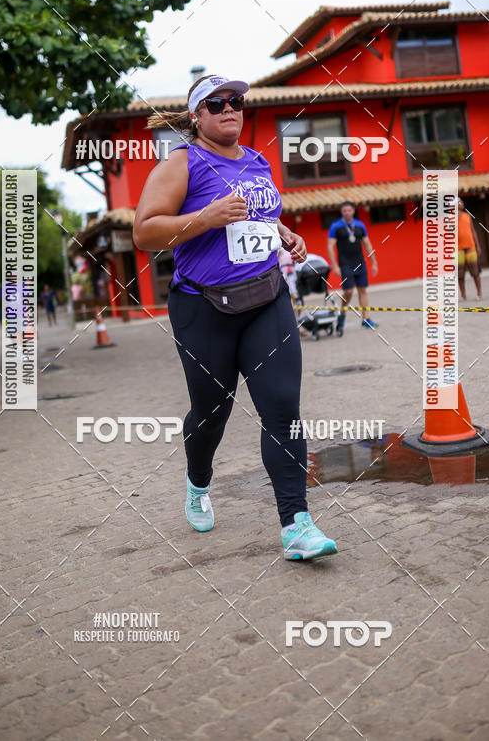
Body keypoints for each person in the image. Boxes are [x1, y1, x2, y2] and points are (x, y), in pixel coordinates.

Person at [133, 73, 337, 561]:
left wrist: (282, 232)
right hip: (203, 308)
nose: (230, 108)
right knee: (211, 413)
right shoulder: (181, 163)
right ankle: (198, 481)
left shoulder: (257, 161)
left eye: (237, 101)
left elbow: (255, 216)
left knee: (283, 410)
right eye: (217, 102)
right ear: (197, 116)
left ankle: (296, 525)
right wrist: (204, 218)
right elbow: (144, 233)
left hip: (266, 299)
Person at [327, 201, 379, 335]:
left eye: (349, 210)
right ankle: (342, 314)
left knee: (362, 290)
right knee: (348, 291)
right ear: (341, 212)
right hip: (345, 264)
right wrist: (334, 265)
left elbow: (367, 244)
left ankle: (365, 319)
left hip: (360, 262)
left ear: (353, 211)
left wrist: (374, 262)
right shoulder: (336, 226)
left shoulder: (360, 225)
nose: (347, 212)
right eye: (344, 210)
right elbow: (330, 246)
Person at [457, 197, 482, 300]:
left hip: (470, 247)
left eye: (462, 202)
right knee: (460, 274)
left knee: (475, 272)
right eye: (459, 202)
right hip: (457, 249)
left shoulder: (467, 216)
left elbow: (473, 231)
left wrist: (478, 245)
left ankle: (479, 293)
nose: (462, 203)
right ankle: (463, 295)